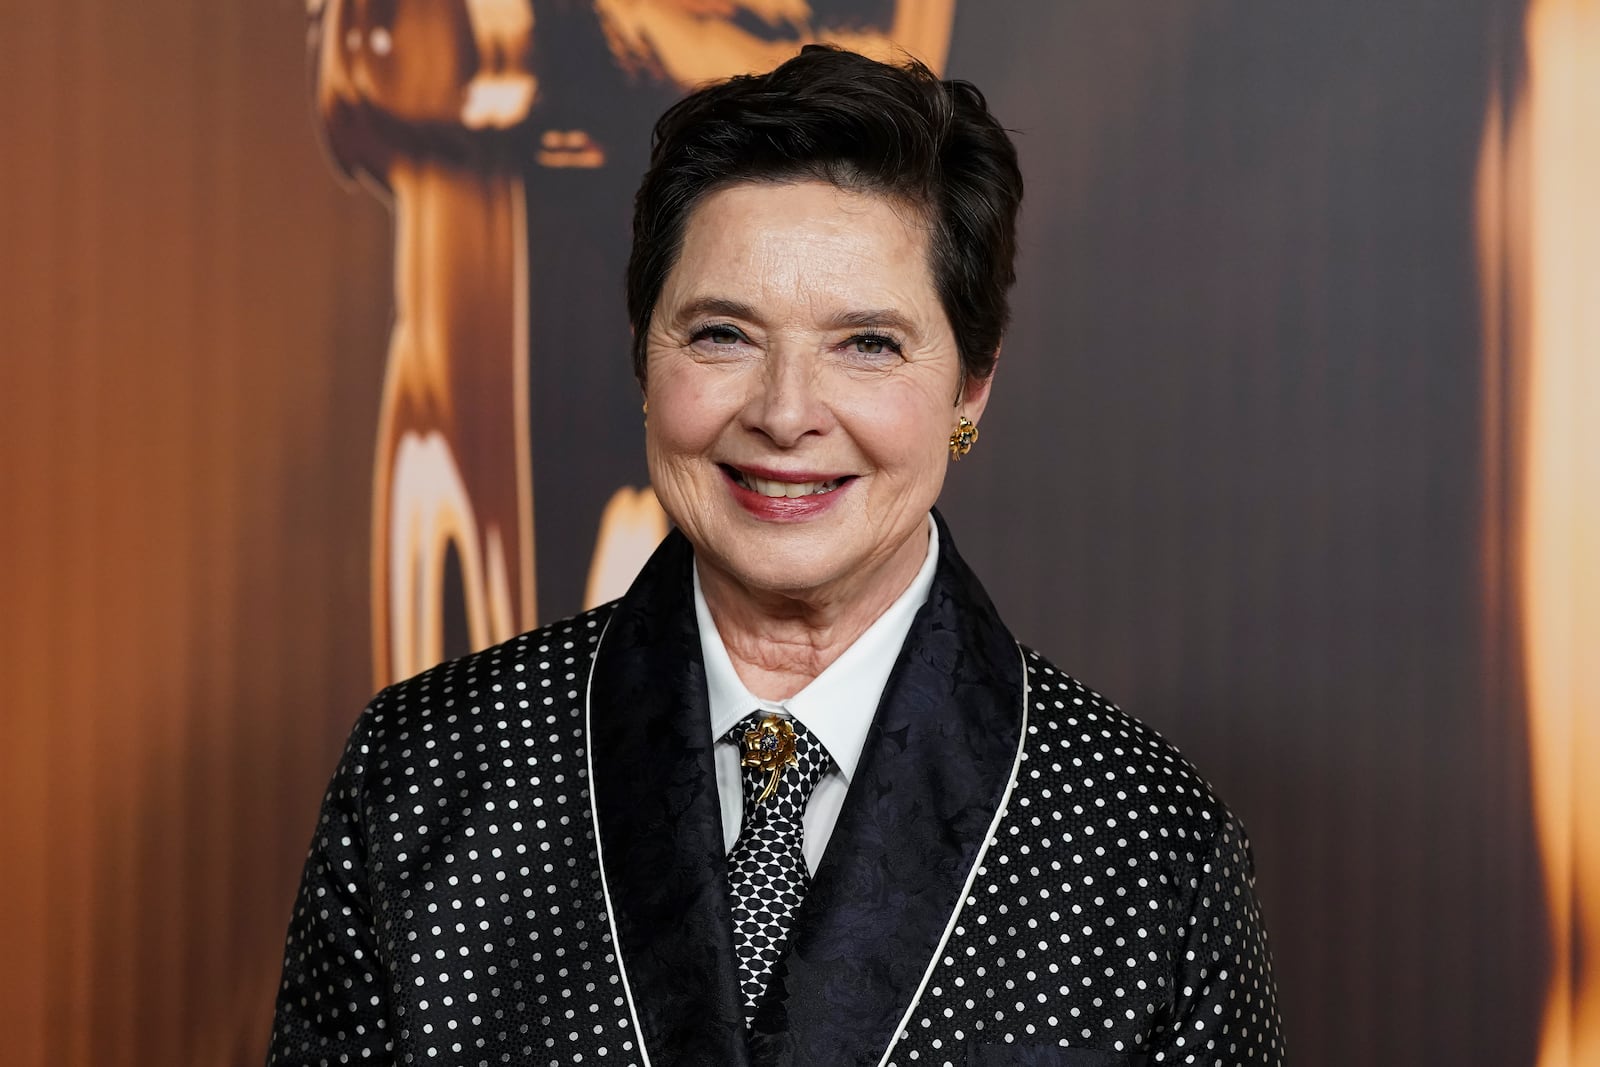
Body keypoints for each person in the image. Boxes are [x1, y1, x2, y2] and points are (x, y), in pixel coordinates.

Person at [268, 45, 1284, 1067]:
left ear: (970, 389)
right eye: (721, 335)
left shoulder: (1145, 844)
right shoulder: (425, 772)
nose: (785, 413)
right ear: (643, 357)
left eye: (868, 344)